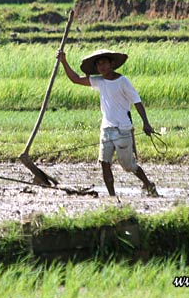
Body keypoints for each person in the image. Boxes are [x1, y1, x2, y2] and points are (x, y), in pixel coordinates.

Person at [56, 48, 159, 197]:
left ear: (112, 64)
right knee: (104, 163)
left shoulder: (122, 81)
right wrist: (64, 61)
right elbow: (76, 79)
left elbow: (137, 101)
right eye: (99, 65)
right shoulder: (99, 81)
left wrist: (146, 123)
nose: (102, 67)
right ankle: (112, 197)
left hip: (122, 129)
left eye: (104, 63)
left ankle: (148, 184)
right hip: (106, 130)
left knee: (129, 166)